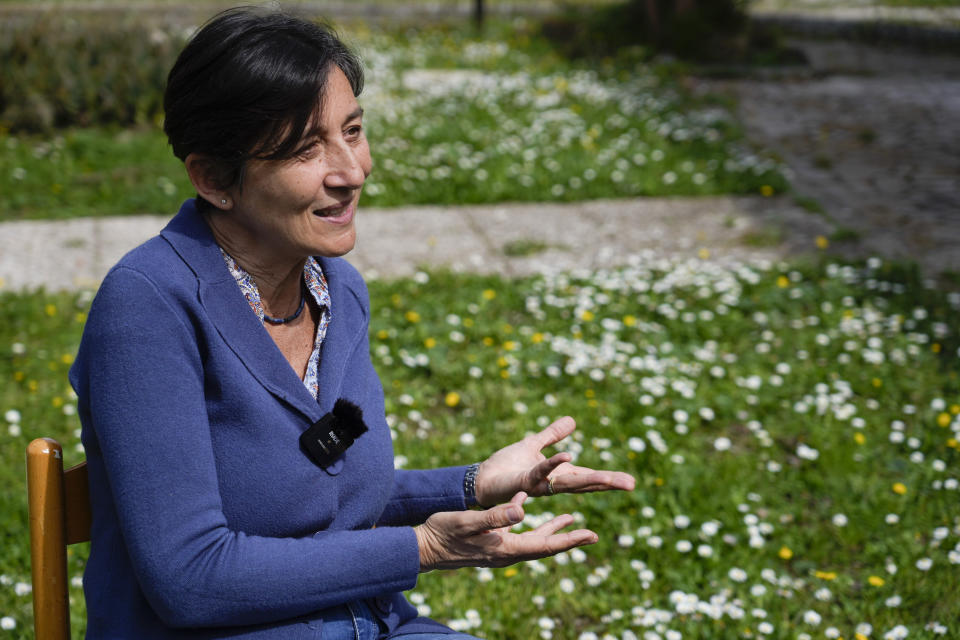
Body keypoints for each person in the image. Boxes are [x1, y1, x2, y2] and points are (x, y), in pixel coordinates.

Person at [68, 7, 635, 639]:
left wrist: (473, 485)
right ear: (214, 179)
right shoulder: (149, 307)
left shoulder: (336, 290)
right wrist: (422, 549)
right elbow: (192, 579)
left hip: (374, 625)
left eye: (353, 130)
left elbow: (319, 496)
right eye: (306, 148)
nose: (352, 171)